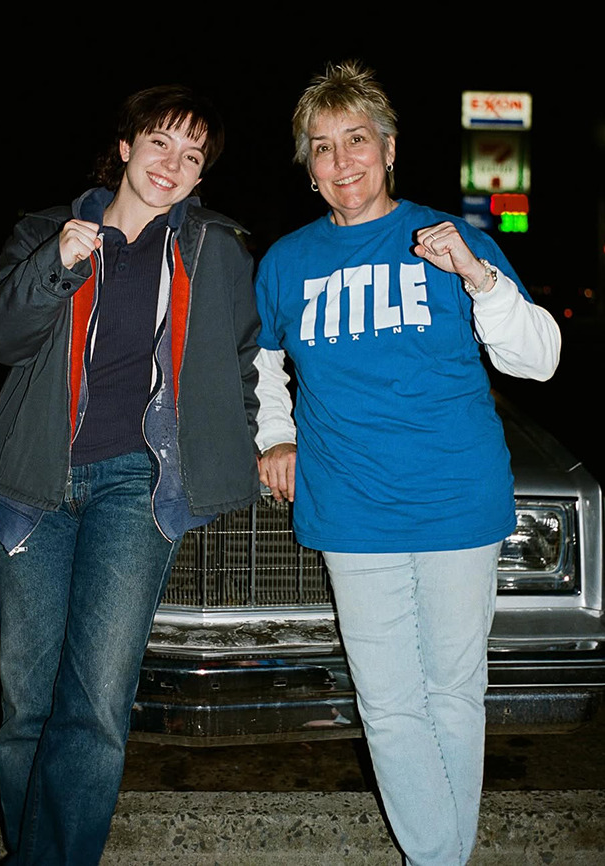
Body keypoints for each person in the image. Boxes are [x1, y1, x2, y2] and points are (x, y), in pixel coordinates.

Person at [253, 61, 561, 866]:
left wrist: (479, 275)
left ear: (389, 149)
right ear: (308, 167)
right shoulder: (287, 261)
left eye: (357, 139)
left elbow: (540, 359)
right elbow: (261, 365)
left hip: (458, 500)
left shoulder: (448, 237)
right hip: (352, 508)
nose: (341, 160)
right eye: (322, 147)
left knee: (455, 694)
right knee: (388, 704)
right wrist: (275, 438)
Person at [0, 84, 261, 865]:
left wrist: (246, 439)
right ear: (126, 147)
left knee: (94, 705)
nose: (174, 164)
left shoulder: (215, 247)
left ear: (201, 179)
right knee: (26, 704)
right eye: (161, 143)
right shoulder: (44, 231)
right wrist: (58, 264)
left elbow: (242, 361)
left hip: (139, 482)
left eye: (193, 156)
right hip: (36, 481)